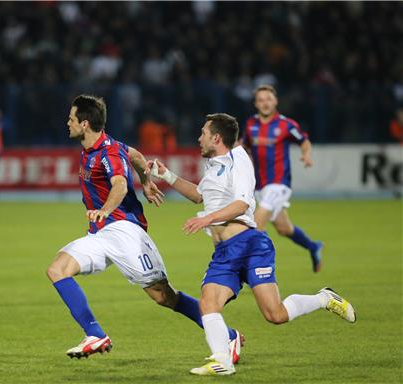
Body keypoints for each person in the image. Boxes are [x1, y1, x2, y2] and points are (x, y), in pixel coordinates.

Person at [149, 113, 356, 376]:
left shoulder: (239, 158)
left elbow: (243, 203)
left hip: (249, 244)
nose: (198, 138)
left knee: (276, 315)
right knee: (208, 303)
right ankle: (222, 361)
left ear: (216, 137)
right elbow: (199, 196)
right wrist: (166, 175)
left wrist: (208, 219)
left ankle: (324, 298)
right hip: (224, 252)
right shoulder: (213, 165)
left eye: (202, 133)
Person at [46, 95, 244, 360]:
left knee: (164, 296)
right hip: (100, 234)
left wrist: (105, 209)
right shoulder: (104, 146)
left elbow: (119, 185)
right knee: (57, 270)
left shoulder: (108, 153)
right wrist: (146, 180)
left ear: (84, 124)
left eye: (71, 118)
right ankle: (95, 334)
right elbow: (137, 156)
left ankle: (228, 336)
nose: (66, 122)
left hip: (125, 232)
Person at [241, 85, 323, 273]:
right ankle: (313, 247)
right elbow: (244, 146)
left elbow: (304, 141)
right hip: (260, 186)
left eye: (268, 99)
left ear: (275, 101)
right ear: (256, 104)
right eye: (261, 100)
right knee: (284, 228)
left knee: (255, 223)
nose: (265, 103)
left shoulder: (286, 124)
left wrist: (307, 155)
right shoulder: (250, 124)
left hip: (279, 184)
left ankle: (254, 271)